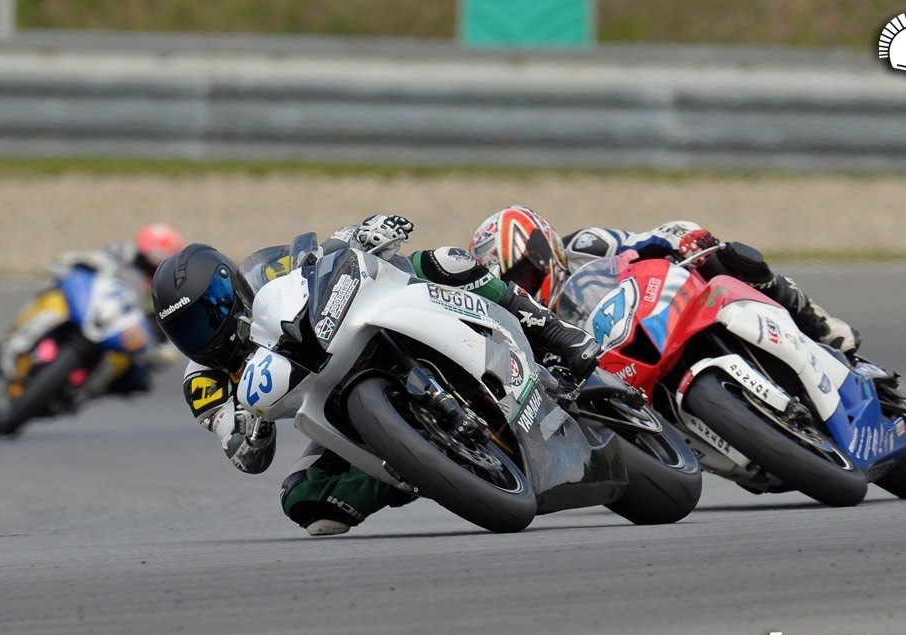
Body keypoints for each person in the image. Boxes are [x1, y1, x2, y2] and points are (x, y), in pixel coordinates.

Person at [151, 215, 601, 537]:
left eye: (208, 312)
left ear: (227, 287)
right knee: (306, 503)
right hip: (327, 404)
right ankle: (422, 466)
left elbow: (317, 259)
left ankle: (553, 332)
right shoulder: (203, 381)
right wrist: (250, 428)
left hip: (355, 328)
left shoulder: (264, 277)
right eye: (186, 329)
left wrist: (363, 233)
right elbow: (245, 455)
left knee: (443, 261)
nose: (203, 333)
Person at [470, 206, 860, 354]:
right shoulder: (529, 334)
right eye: (512, 285)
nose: (523, 289)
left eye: (523, 275)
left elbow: (649, 238)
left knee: (727, 258)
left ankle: (817, 324)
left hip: (663, 311)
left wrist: (683, 238)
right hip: (626, 370)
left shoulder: (584, 245)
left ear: (543, 252)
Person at [0, 222, 185, 395]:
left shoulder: (163, 290)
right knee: (54, 299)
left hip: (119, 331)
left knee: (138, 378)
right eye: (148, 263)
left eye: (157, 267)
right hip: (92, 306)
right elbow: (83, 260)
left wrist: (158, 347)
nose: (151, 270)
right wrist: (74, 263)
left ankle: (84, 391)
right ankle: (14, 338)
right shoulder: (120, 255)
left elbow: (164, 335)